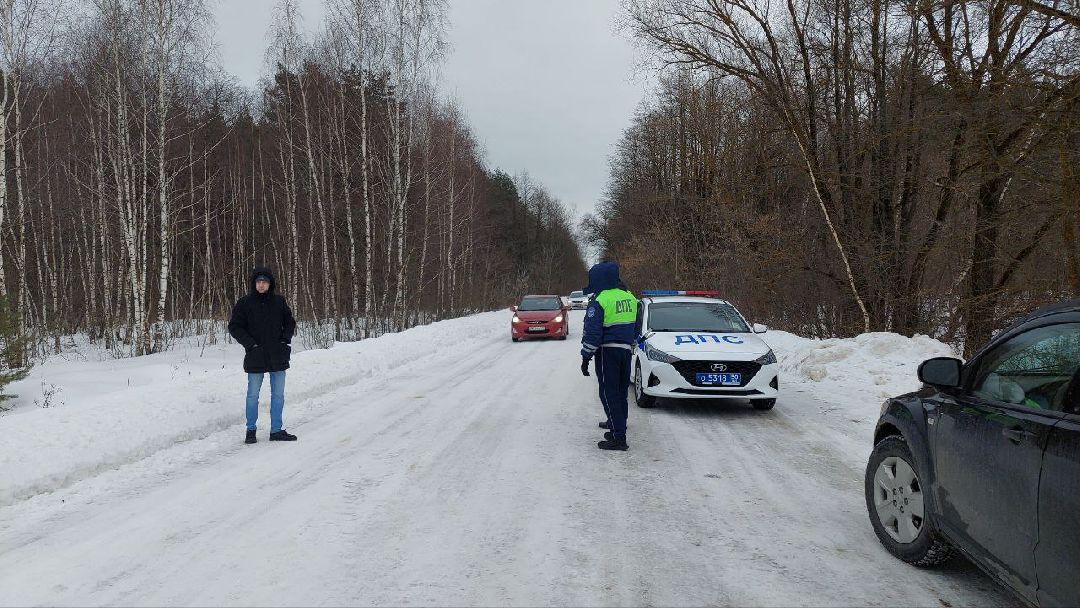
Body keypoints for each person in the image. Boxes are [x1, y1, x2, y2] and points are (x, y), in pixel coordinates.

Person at [228, 265, 298, 444]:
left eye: (265, 282)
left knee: (278, 395)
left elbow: (289, 322)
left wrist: (284, 340)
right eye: (258, 281)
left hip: (277, 354)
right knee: (252, 395)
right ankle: (250, 431)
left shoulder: (279, 302)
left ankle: (276, 430)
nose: (261, 285)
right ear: (254, 283)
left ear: (270, 284)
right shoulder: (245, 303)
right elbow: (235, 326)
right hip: (256, 355)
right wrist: (250, 344)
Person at [580, 261, 637, 451]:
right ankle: (618, 425)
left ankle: (618, 437)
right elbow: (636, 326)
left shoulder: (600, 300)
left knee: (608, 392)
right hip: (625, 351)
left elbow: (593, 333)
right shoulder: (630, 297)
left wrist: (586, 356)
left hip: (608, 352)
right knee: (621, 392)